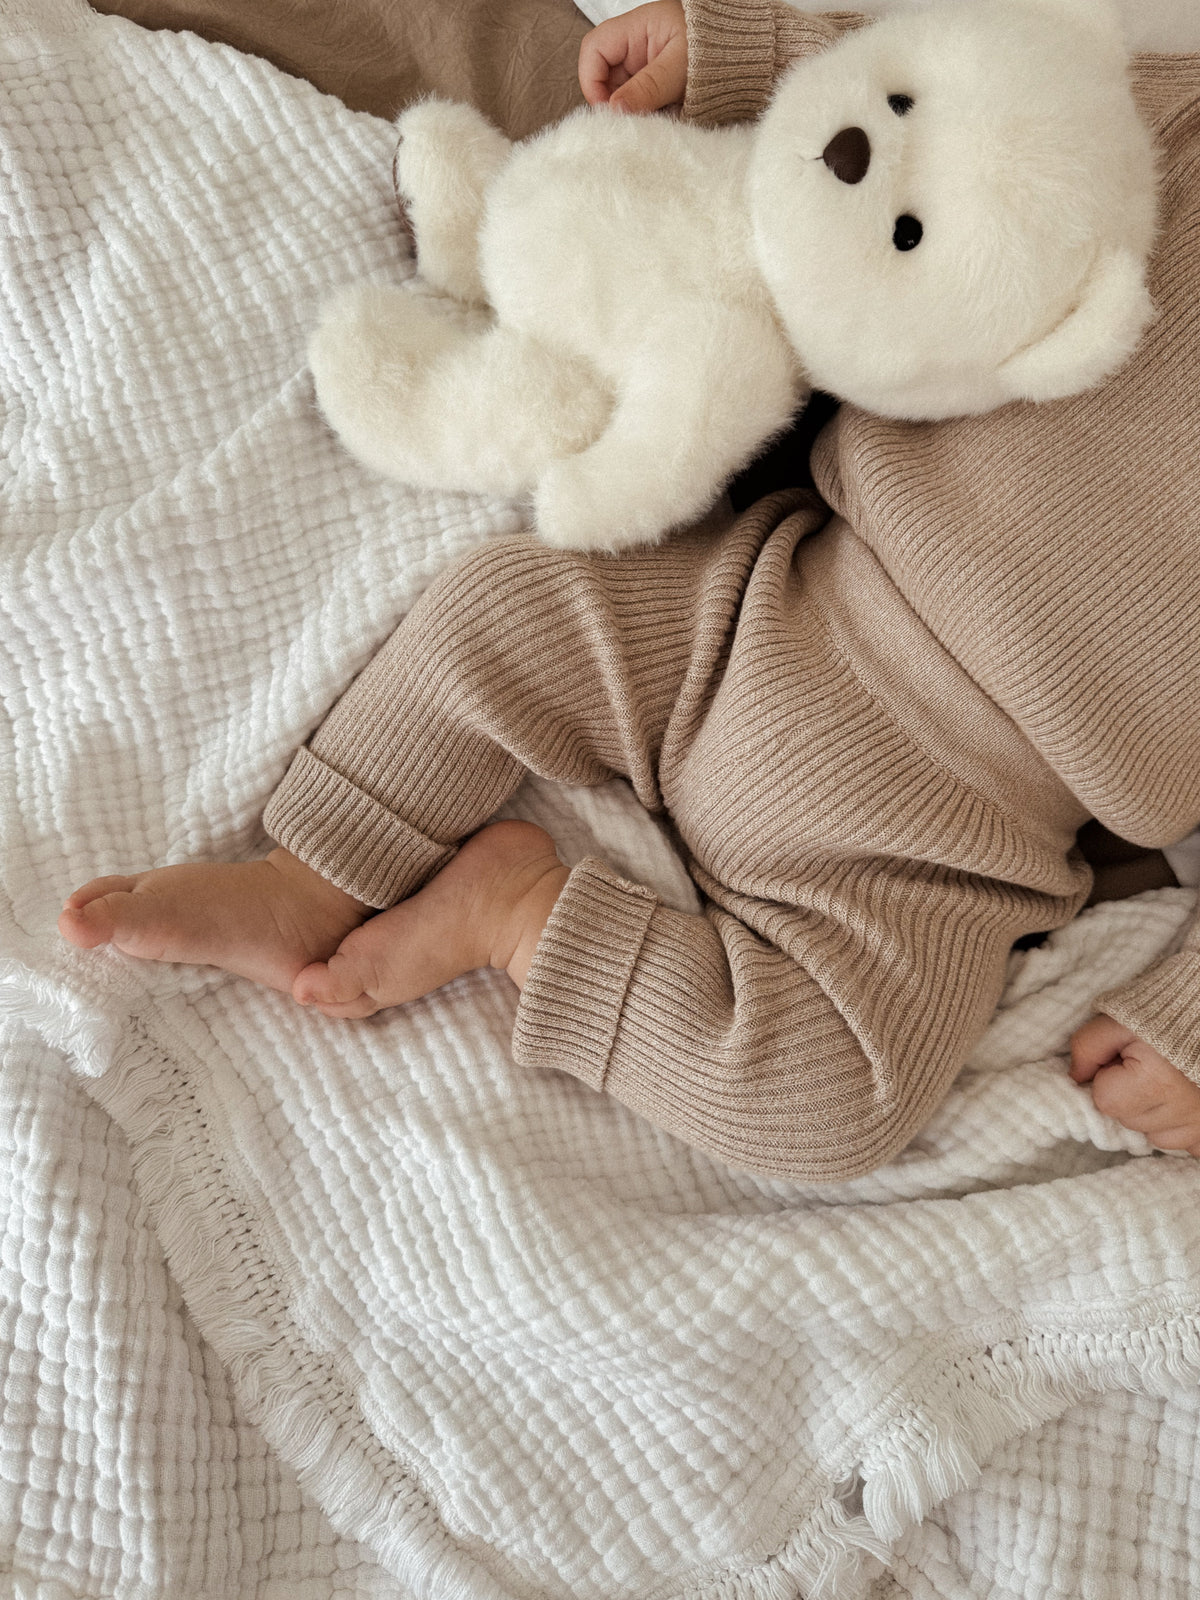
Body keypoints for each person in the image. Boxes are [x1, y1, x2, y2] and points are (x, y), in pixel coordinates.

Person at [59, 0, 1200, 1177]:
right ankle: (311, 871)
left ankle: (520, 915)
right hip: (774, 606)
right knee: (504, 614)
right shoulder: (1176, 129)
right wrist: (738, 53)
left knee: (833, 1107)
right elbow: (958, 101)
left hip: (954, 846)